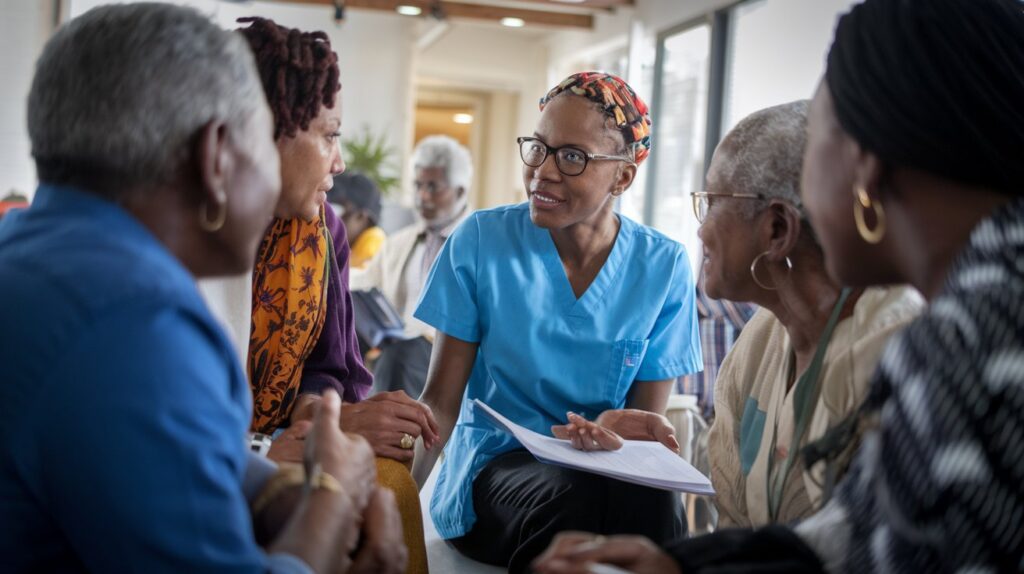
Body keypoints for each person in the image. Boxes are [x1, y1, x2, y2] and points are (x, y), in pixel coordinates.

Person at [533, 0, 1024, 572]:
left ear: (865, 164)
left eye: (820, 146)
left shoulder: (970, 336)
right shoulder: (982, 303)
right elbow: (862, 531)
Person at [0, 4, 402, 573]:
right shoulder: (136, 322)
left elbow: (167, 454)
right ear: (217, 154)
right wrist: (332, 496)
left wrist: (282, 493)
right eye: (263, 144)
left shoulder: (28, 248)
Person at [410, 72, 703, 573]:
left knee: (656, 502)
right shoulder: (482, 241)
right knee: (574, 499)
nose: (541, 172)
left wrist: (614, 430)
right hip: (494, 470)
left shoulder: (663, 266)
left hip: (602, 468)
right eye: (537, 148)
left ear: (622, 177)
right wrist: (391, 510)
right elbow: (439, 402)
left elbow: (644, 435)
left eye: (572, 157)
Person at [232, 18, 436, 574]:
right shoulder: (195, 241)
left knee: (390, 481)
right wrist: (278, 443)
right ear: (262, 130)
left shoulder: (320, 233)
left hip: (281, 438)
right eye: (328, 135)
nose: (340, 162)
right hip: (218, 456)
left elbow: (329, 364)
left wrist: (315, 416)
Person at [351, 134, 473, 397]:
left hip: (450, 358)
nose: (421, 196)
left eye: (433, 187)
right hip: (394, 352)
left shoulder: (480, 244)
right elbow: (365, 286)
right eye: (417, 185)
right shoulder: (399, 243)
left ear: (461, 191)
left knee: (403, 356)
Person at [329, 171, 385, 269]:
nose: (327, 221)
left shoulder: (374, 245)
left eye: (336, 211)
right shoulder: (352, 249)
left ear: (361, 217)